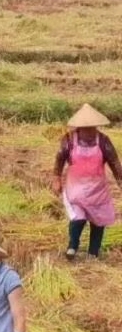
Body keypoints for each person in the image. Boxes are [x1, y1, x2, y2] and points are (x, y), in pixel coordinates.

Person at [51, 104, 122, 260]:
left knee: (98, 220)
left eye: (92, 128)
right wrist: (56, 178)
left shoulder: (103, 141)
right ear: (79, 128)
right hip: (76, 188)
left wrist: (120, 181)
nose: (90, 131)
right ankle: (72, 246)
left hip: (98, 189)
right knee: (78, 217)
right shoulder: (68, 140)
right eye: (86, 128)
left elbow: (115, 163)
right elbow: (59, 160)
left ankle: (93, 253)